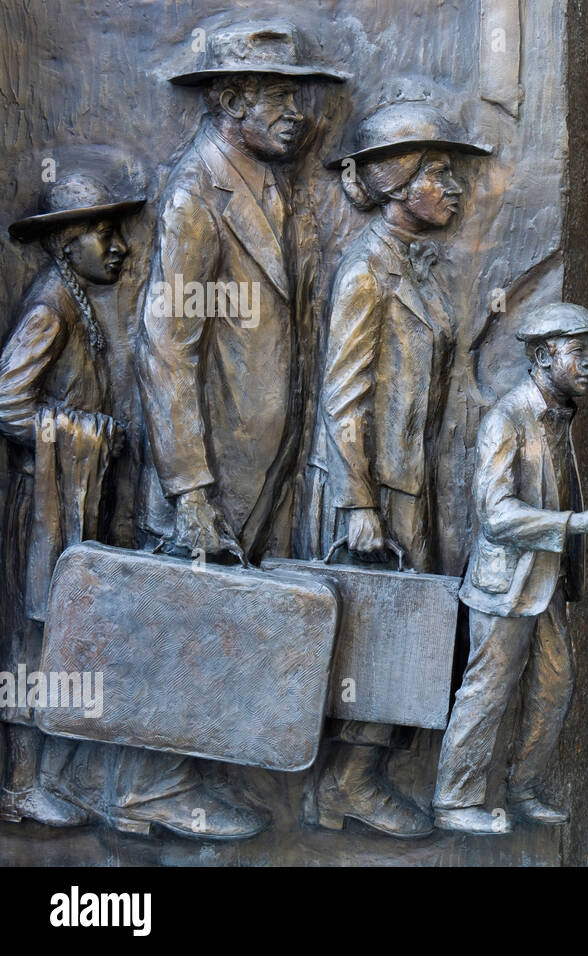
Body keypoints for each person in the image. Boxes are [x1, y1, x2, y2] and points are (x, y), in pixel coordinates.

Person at [121, 19, 345, 840]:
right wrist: (189, 485)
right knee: (186, 615)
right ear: (230, 99)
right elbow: (164, 343)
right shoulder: (195, 191)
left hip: (260, 455)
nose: (299, 113)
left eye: (300, 94)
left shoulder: (264, 179)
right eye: (280, 96)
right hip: (211, 464)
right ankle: (152, 789)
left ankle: (193, 778)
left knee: (222, 621)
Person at [302, 99, 491, 838]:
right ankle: (348, 781)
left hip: (409, 480)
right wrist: (359, 505)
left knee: (399, 635)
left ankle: (356, 778)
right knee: (372, 635)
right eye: (439, 173)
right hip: (370, 489)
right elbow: (342, 398)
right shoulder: (365, 273)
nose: (456, 188)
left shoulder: (420, 265)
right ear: (395, 181)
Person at [433, 303, 588, 834]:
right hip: (509, 586)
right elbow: (494, 516)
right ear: (543, 356)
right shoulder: (508, 418)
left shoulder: (561, 415)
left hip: (549, 585)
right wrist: (579, 524)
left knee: (553, 687)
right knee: (487, 691)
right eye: (579, 352)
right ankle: (454, 800)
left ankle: (521, 789)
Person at [0, 170, 141, 828]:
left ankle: (58, 776)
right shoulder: (48, 307)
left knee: (68, 632)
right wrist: (82, 436)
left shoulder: (72, 299)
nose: (120, 248)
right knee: (34, 638)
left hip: (68, 498)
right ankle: (23, 784)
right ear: (65, 246)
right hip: (43, 505)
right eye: (103, 235)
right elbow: (8, 405)